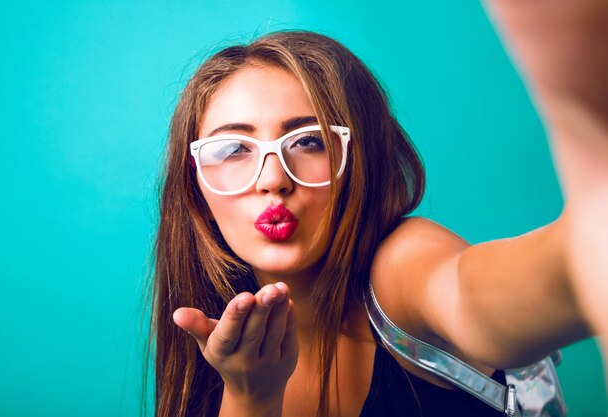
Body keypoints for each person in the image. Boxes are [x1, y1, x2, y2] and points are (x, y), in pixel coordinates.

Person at [147, 1, 608, 416]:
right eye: (233, 149)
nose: (272, 179)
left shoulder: (400, 270)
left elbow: (469, 294)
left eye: (309, 141)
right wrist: (250, 397)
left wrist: (580, 250)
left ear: (360, 160)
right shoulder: (212, 353)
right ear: (196, 183)